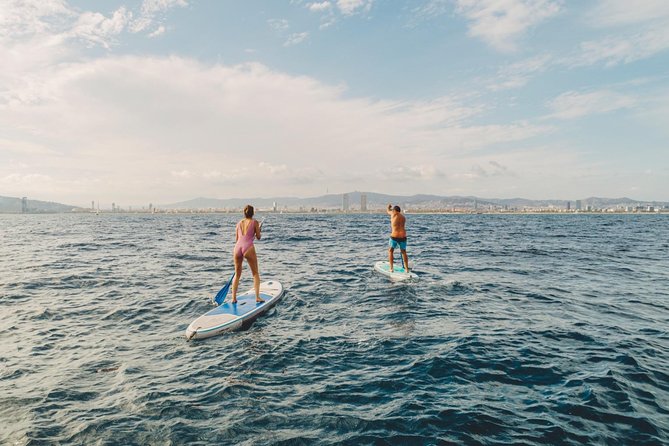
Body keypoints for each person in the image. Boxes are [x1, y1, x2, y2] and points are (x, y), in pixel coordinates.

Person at [231, 204, 264, 304]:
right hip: (248, 247)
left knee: (237, 274)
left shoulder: (239, 223)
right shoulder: (255, 222)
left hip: (237, 248)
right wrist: (259, 229)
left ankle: (233, 298)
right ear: (253, 213)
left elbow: (237, 239)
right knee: (255, 273)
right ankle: (257, 297)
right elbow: (258, 237)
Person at [386, 204, 409, 273]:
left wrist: (388, 207)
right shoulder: (403, 217)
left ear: (395, 210)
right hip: (403, 236)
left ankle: (391, 268)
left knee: (390, 251)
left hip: (395, 236)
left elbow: (388, 211)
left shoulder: (393, 214)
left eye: (393, 210)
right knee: (404, 252)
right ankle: (407, 269)